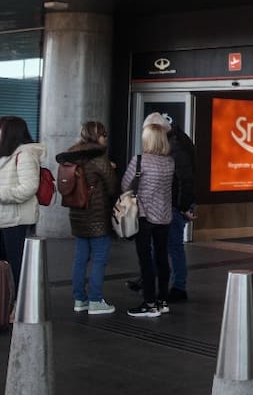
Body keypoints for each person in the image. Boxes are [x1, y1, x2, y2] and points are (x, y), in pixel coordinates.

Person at [0, 115, 43, 289]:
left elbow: (29, 187)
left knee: (17, 264)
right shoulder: (3, 155)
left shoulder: (25, 154)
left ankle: (20, 300)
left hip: (16, 219)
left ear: (10, 132)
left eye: (0, 128)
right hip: (0, 218)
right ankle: (7, 298)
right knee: (4, 263)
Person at [122, 121, 177, 317]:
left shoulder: (140, 160)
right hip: (164, 216)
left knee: (145, 260)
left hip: (144, 216)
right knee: (162, 258)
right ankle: (162, 301)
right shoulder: (170, 162)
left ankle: (149, 302)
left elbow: (125, 185)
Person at [62, 121, 117, 315]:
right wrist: (111, 168)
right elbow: (112, 187)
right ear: (96, 136)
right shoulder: (99, 157)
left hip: (77, 214)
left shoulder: (71, 156)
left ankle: (80, 299)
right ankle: (95, 300)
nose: (105, 138)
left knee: (80, 258)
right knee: (99, 258)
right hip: (97, 216)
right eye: (103, 135)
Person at [143, 111, 197, 301]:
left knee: (173, 246)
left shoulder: (175, 147)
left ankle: (178, 287)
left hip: (175, 204)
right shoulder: (177, 141)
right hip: (173, 203)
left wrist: (183, 207)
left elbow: (185, 180)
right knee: (167, 246)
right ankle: (157, 281)